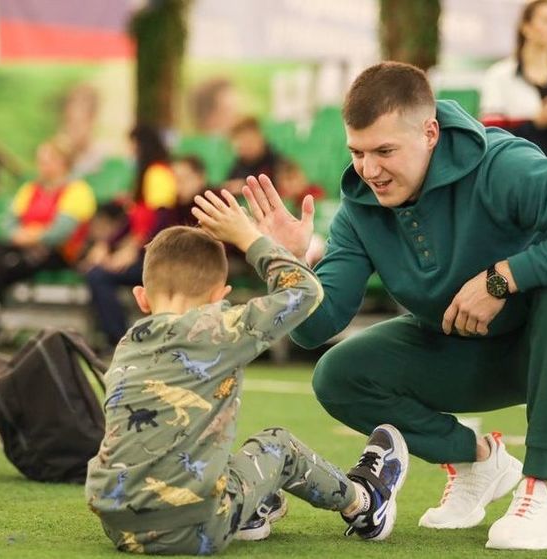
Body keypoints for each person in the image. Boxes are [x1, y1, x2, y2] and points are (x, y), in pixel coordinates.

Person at [240, 61, 547, 551]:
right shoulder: (359, 209)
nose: (369, 170)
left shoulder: (503, 163)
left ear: (430, 132)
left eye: (385, 151)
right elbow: (313, 330)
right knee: (337, 374)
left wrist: (501, 280)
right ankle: (479, 460)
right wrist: (288, 264)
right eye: (357, 152)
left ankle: (542, 492)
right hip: (474, 353)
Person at [84, 195, 409, 554]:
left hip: (118, 524)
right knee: (278, 445)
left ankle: (252, 513)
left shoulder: (129, 341)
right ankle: (365, 503)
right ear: (219, 296)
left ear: (142, 298)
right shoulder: (220, 326)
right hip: (196, 527)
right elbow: (306, 291)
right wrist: (250, 239)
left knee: (195, 437)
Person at [0, 135, 96, 355]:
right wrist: (18, 235)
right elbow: (10, 221)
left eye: (47, 160)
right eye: (40, 160)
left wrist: (32, 237)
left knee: (2, 269)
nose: (42, 165)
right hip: (25, 246)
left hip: (58, 253)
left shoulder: (78, 190)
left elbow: (61, 231)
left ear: (62, 162)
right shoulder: (31, 188)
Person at [83, 154, 206, 348]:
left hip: (193, 269)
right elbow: (138, 228)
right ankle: (119, 338)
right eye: (175, 178)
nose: (178, 184)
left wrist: (134, 249)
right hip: (158, 266)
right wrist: (106, 245)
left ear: (200, 178)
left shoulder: (209, 203)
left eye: (184, 178)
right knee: (97, 274)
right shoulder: (167, 205)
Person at [479, 0, 547, 171]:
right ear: (526, 27)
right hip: (514, 179)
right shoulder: (499, 77)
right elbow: (491, 140)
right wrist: (536, 123)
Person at [222, 117, 281, 195]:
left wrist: (246, 186)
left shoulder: (277, 164)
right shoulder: (237, 167)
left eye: (249, 141)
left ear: (261, 138)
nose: (246, 146)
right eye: (241, 143)